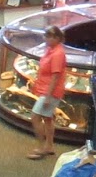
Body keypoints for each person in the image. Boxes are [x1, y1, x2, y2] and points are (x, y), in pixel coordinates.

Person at [29, 25, 68, 160]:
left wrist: (48, 96)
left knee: (35, 117)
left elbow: (55, 76)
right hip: (46, 89)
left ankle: (41, 148)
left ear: (56, 38)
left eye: (47, 36)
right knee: (47, 118)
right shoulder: (50, 49)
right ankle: (49, 146)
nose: (45, 39)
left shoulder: (58, 54)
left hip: (50, 92)